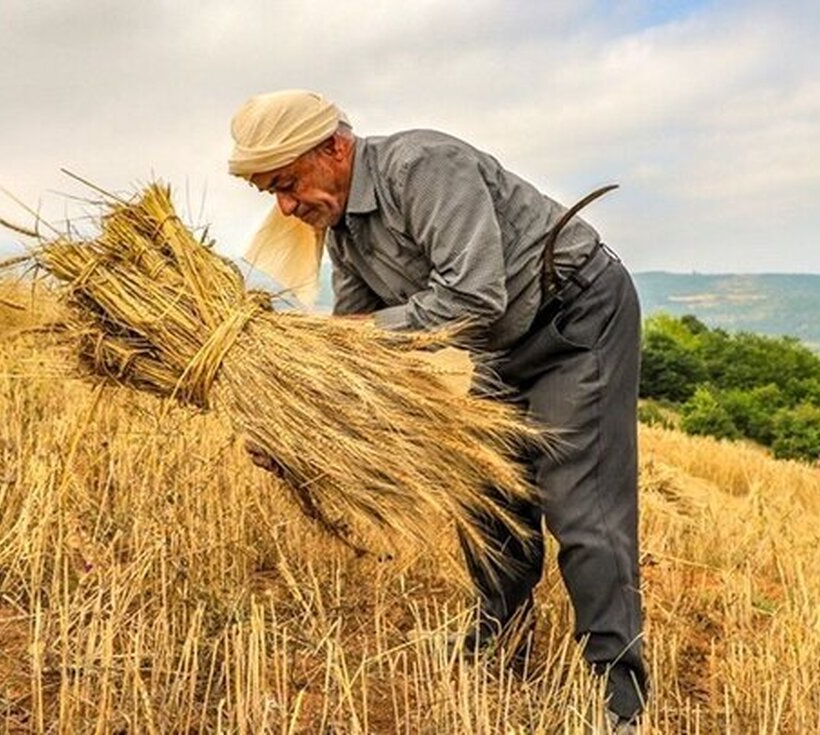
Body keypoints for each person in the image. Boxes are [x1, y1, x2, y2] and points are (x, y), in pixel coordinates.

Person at [228, 89, 647, 726]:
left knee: (581, 505)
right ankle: (496, 645)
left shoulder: (423, 167)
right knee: (486, 496)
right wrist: (297, 414)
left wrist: (354, 338)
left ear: (334, 148)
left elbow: (473, 295)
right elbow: (360, 344)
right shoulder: (345, 231)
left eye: (288, 183)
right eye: (272, 194)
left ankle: (619, 694)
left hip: (574, 318)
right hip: (498, 345)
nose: (286, 206)